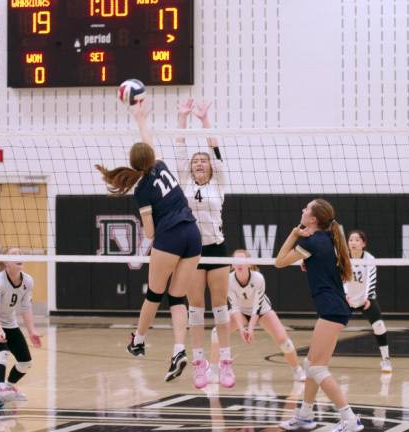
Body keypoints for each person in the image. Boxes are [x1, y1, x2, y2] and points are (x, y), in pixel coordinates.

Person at [96, 100, 202, 382]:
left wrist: (153, 231)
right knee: (177, 296)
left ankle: (139, 339)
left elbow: (151, 232)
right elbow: (148, 142)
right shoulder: (163, 165)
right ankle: (179, 350)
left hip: (170, 235)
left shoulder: (142, 190)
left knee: (155, 294)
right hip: (193, 233)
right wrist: (141, 117)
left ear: (133, 164)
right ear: (150, 159)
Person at [275, 199, 363, 432]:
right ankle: (304, 415)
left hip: (332, 309)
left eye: (306, 209)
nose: (302, 210)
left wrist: (294, 234)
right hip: (335, 307)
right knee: (311, 363)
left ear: (313, 219)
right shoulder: (325, 240)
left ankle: (350, 419)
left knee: (316, 368)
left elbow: (279, 261)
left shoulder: (313, 242)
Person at [175, 99, 234, 388]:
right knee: (195, 309)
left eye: (204, 161)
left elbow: (216, 150)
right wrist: (182, 117)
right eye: (195, 161)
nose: (199, 163)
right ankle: (199, 364)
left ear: (210, 167)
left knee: (221, 308)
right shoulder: (184, 181)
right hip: (191, 252)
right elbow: (179, 148)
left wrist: (205, 119)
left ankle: (225, 363)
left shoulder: (218, 183)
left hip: (216, 248)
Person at [208, 249, 306, 381]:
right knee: (216, 333)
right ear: (232, 265)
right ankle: (213, 371)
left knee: (285, 342)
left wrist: (250, 328)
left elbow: (257, 307)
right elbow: (235, 307)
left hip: (262, 312)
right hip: (241, 312)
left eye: (242, 260)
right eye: (236, 261)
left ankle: (297, 370)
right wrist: (242, 328)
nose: (239, 264)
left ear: (249, 264)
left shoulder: (258, 278)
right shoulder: (229, 280)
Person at [0, 248, 41, 408]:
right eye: (14, 255)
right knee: (3, 353)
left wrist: (32, 331)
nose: (19, 256)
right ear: (6, 262)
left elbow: (26, 307)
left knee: (25, 363)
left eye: (21, 253)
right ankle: (0, 390)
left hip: (10, 322)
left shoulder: (28, 281)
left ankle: (9, 387)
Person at [344, 230, 392, 373]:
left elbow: (371, 279)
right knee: (331, 327)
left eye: (357, 240)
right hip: (348, 298)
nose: (353, 242)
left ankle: (386, 360)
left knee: (379, 326)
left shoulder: (369, 258)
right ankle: (320, 360)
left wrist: (368, 297)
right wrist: (345, 295)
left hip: (366, 298)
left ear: (363, 244)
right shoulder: (343, 257)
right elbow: (341, 278)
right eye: (351, 239)